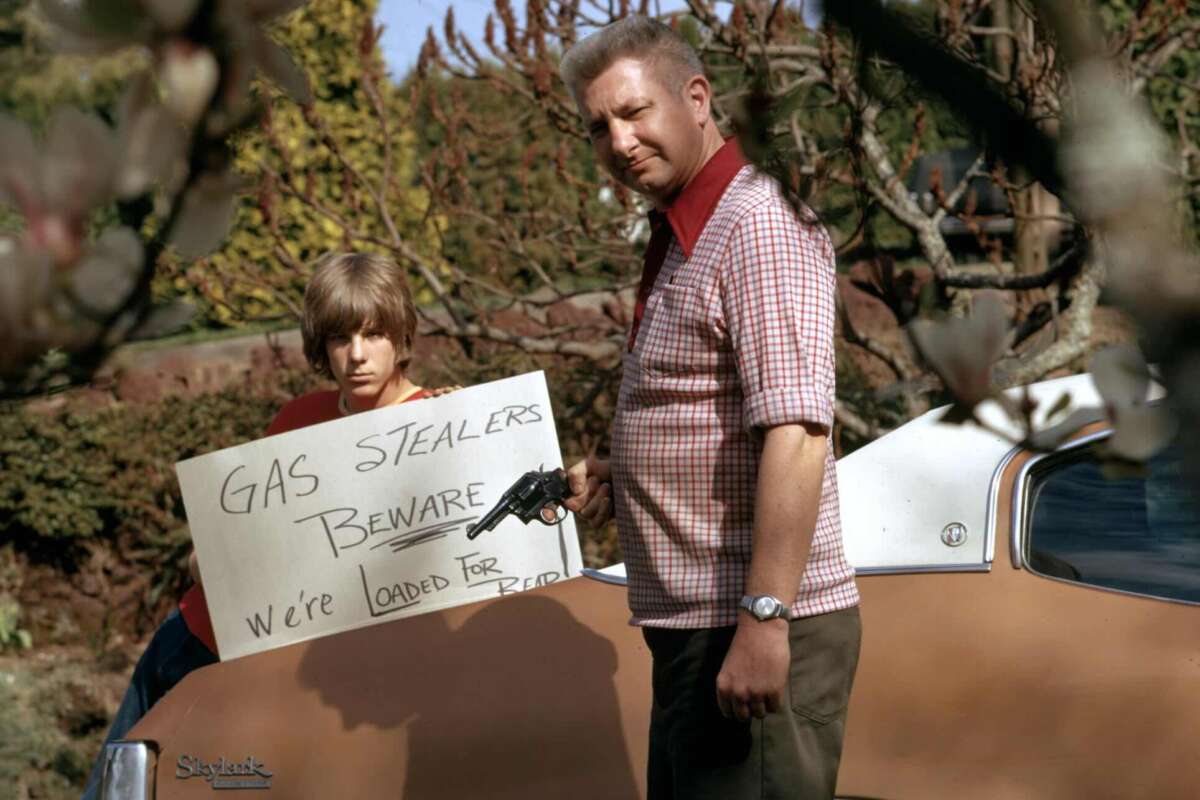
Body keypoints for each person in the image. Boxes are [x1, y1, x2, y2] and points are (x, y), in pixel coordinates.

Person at [558, 17, 861, 800]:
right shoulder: (685, 229)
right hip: (700, 629)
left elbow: (796, 435)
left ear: (696, 98)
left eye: (633, 113)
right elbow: (708, 415)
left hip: (749, 624)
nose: (618, 143)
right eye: (598, 127)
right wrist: (620, 473)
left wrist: (764, 621)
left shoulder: (757, 224)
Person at [83, 251, 443, 798]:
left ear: (402, 336)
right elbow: (233, 543)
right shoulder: (295, 418)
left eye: (374, 335)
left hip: (322, 673)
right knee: (124, 781)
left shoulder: (441, 421)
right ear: (321, 346)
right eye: (340, 339)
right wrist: (208, 560)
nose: (357, 355)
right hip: (206, 635)